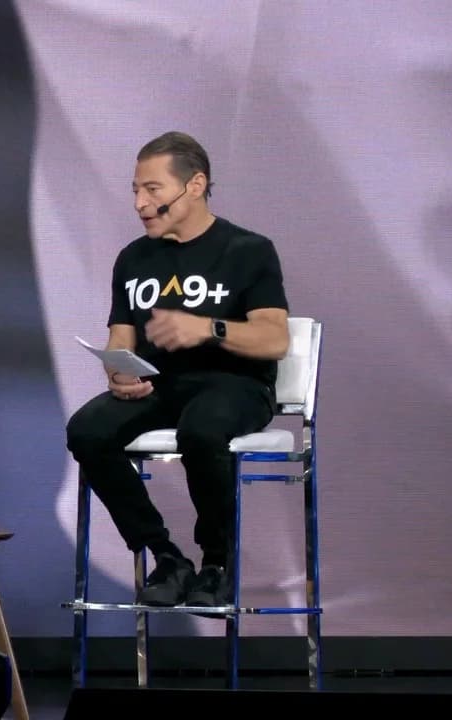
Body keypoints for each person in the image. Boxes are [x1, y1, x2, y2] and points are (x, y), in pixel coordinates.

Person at [65, 131, 290, 610]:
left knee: (202, 431)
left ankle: (217, 563)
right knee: (87, 431)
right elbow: (122, 333)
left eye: (153, 189)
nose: (140, 203)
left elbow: (275, 338)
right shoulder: (132, 258)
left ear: (194, 185)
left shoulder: (247, 250)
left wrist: (208, 328)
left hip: (236, 385)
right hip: (159, 384)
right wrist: (117, 372)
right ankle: (166, 557)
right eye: (135, 191)